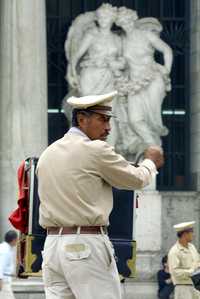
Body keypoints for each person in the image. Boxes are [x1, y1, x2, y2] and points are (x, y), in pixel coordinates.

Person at [37, 90, 164, 299]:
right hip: (85, 245)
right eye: (103, 119)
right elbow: (136, 179)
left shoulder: (47, 154)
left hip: (52, 248)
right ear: (81, 119)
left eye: (109, 120)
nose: (108, 128)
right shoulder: (96, 150)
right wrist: (150, 162)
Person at [114, 7, 173, 158]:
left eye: (128, 21)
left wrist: (166, 70)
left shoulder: (146, 35)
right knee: (135, 119)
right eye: (122, 23)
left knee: (151, 118)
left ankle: (153, 149)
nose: (126, 25)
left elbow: (167, 50)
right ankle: (153, 147)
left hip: (152, 79)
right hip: (134, 83)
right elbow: (121, 63)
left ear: (133, 20)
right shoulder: (122, 41)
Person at [168, 221, 200, 299]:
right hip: (182, 288)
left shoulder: (192, 247)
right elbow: (175, 272)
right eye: (191, 232)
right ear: (185, 234)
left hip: (195, 287)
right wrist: (192, 272)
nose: (193, 234)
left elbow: (197, 261)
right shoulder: (174, 251)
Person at [0, 230, 18, 299]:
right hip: (4, 281)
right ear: (14, 240)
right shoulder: (5, 250)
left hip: (6, 280)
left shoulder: (5, 248)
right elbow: (0, 265)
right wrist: (0, 280)